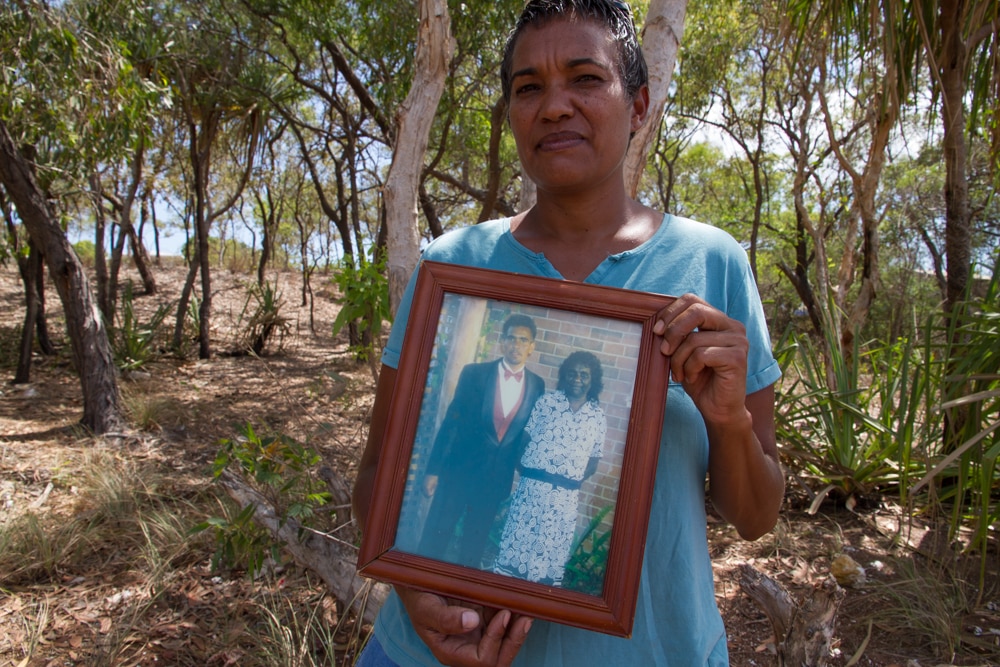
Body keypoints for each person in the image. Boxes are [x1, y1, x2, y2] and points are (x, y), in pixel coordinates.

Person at [351, 0, 785, 664]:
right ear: (511, 116)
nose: (555, 106)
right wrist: (415, 590)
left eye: (585, 78)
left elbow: (755, 516)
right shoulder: (453, 268)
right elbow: (379, 477)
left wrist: (727, 422)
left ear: (639, 105)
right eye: (529, 88)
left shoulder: (711, 264)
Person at [414, 314, 546, 569]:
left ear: (532, 347)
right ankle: (418, 584)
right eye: (511, 339)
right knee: (435, 537)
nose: (516, 345)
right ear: (501, 342)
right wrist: (433, 470)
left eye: (523, 340)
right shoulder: (474, 374)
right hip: (458, 473)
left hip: (494, 482)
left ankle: (462, 595)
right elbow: (451, 423)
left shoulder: (537, 386)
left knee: (473, 549)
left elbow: (526, 436)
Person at [493, 351, 607, 587]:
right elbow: (523, 440)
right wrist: (528, 473)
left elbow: (593, 461)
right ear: (564, 376)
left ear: (593, 379)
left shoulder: (597, 416)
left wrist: (567, 479)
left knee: (548, 556)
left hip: (564, 498)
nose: (577, 379)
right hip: (532, 488)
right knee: (518, 548)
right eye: (572, 374)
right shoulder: (547, 402)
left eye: (584, 375)